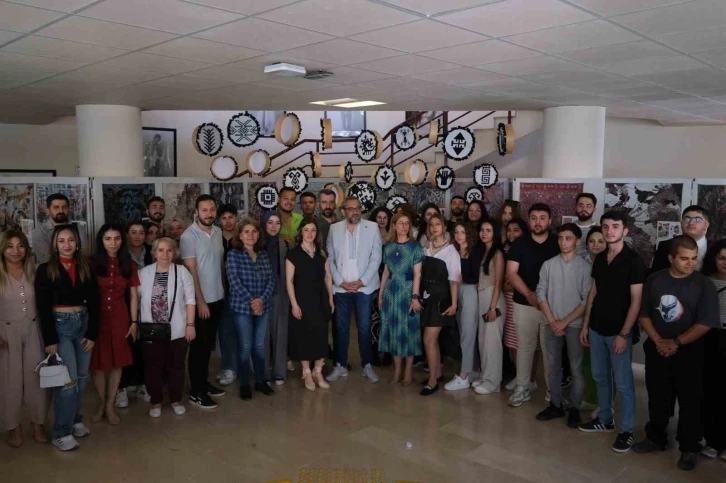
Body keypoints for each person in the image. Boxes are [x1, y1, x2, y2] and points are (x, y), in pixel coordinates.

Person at [633, 235, 720, 471]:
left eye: (694, 258)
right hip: (657, 349)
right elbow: (644, 314)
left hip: (691, 352)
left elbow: (706, 322)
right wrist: (659, 341)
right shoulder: (655, 279)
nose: (691, 263)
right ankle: (656, 437)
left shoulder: (703, 284)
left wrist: (676, 343)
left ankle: (689, 447)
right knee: (658, 396)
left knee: (691, 401)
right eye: (684, 259)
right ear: (671, 258)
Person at [579, 211, 646, 454]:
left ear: (625, 230)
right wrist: (586, 325)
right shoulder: (599, 259)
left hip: (619, 332)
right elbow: (593, 293)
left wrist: (624, 333)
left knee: (624, 383)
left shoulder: (633, 261)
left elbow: (636, 301)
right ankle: (605, 419)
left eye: (615, 226)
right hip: (597, 328)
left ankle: (626, 430)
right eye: (606, 226)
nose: (609, 231)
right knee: (600, 377)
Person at [35, 224, 98, 451]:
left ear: (77, 243)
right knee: (67, 382)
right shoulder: (46, 269)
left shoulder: (85, 267)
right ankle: (61, 432)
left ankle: (74, 419)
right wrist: (50, 339)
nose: (67, 245)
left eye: (71, 240)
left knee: (81, 378)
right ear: (54, 244)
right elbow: (43, 306)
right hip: (60, 327)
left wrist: (92, 333)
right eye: (61, 241)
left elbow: (95, 301)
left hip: (83, 324)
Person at [535, 223, 591, 428]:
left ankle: (574, 407)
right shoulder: (548, 265)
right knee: (552, 366)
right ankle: (555, 404)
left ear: (577, 240)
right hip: (551, 323)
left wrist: (563, 322)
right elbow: (540, 292)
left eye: (568, 238)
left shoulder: (585, 267)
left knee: (575, 367)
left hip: (574, 324)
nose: (563, 242)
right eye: (560, 238)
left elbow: (586, 300)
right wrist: (553, 321)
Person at [505, 203, 559, 407]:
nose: (538, 222)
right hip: (523, 303)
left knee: (549, 350)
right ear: (529, 220)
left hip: (551, 306)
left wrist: (543, 299)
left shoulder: (557, 243)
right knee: (525, 348)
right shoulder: (520, 244)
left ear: (550, 220)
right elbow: (512, 273)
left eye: (542, 218)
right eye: (534, 218)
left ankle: (552, 394)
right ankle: (522, 387)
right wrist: (529, 294)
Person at [137, 237, 196, 418]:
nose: (165, 254)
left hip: (177, 328)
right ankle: (155, 402)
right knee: (152, 367)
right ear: (154, 253)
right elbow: (135, 299)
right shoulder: (143, 273)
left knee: (176, 366)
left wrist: (190, 324)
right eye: (160, 250)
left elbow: (190, 300)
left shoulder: (182, 272)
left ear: (174, 253)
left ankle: (175, 400)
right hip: (151, 330)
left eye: (169, 250)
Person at [326, 196, 382, 384]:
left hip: (364, 289)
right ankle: (340, 365)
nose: (355, 212)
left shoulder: (372, 227)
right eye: (351, 209)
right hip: (341, 289)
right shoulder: (334, 229)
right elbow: (330, 259)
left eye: (358, 208)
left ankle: (367, 365)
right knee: (341, 329)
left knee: (364, 328)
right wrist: (340, 282)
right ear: (343, 211)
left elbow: (376, 258)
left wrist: (361, 281)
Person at [0, 230, 48, 447]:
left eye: (20, 246)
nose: (15, 251)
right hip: (6, 333)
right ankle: (13, 426)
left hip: (33, 330)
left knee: (36, 379)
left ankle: (38, 423)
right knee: (10, 382)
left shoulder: (34, 271)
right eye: (10, 246)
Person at [89, 224, 139, 426]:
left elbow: (133, 295)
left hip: (120, 317)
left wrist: (134, 322)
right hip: (97, 318)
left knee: (118, 362)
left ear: (122, 240)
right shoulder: (92, 263)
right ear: (101, 241)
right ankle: (102, 403)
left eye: (117, 238)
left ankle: (110, 404)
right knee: (97, 365)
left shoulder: (128, 264)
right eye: (108, 239)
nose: (113, 243)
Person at [180, 195, 225, 409]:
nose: (209, 213)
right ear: (197, 212)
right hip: (201, 302)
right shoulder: (188, 236)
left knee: (207, 346)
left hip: (218, 298)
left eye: (212, 209)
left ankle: (204, 383)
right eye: (204, 210)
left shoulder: (217, 232)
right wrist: (200, 301)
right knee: (198, 347)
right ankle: (196, 391)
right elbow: (191, 272)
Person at [226, 218, 275, 400]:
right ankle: (245, 383)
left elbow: (271, 280)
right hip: (242, 308)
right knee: (245, 346)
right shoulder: (234, 255)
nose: (250, 235)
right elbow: (234, 281)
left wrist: (261, 300)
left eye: (254, 231)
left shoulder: (262, 254)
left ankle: (260, 381)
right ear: (240, 235)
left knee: (259, 346)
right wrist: (253, 301)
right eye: (246, 231)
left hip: (263, 307)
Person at [287, 217, 334, 391]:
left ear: (317, 233)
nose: (309, 233)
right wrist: (294, 304)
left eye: (313, 230)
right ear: (301, 232)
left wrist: (330, 298)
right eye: (306, 230)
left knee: (321, 335)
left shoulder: (322, 253)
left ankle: (318, 371)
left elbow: (327, 276)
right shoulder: (293, 254)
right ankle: (306, 372)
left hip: (320, 299)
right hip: (302, 299)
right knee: (304, 336)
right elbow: (289, 281)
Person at [378, 212, 424, 386]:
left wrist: (415, 297)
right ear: (394, 226)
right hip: (391, 293)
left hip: (408, 291)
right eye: (401, 223)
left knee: (410, 331)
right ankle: (397, 370)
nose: (404, 226)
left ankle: (408, 371)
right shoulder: (388, 246)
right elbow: (386, 272)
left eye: (407, 223)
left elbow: (418, 274)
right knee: (394, 330)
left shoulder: (415, 246)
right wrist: (381, 294)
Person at [420, 213, 461, 396]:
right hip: (427, 297)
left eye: (438, 224)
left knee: (428, 340)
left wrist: (454, 304)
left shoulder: (451, 251)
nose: (434, 227)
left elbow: (454, 280)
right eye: (431, 224)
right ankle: (436, 373)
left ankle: (432, 381)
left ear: (444, 227)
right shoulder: (426, 247)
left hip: (441, 298)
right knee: (432, 340)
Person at [116, 221, 152, 409]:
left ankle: (141, 384)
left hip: (147, 306)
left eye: (141, 232)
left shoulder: (152, 253)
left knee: (144, 347)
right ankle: (121, 387)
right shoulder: (120, 255)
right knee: (126, 345)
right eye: (133, 232)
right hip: (125, 305)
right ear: (127, 234)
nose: (138, 236)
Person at [444, 221, 483, 391]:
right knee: (463, 332)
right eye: (457, 232)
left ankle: (464, 376)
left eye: (463, 232)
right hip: (455, 290)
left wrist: (458, 275)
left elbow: (475, 276)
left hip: (469, 291)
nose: (459, 235)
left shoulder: (475, 251)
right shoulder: (453, 250)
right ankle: (473, 370)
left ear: (469, 234)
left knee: (468, 332)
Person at [502, 218, 539, 392]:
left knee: (527, 343)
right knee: (512, 342)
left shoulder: (528, 248)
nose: (511, 234)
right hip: (508, 300)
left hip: (524, 300)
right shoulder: (504, 249)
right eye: (509, 230)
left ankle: (530, 379)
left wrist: (516, 286)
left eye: (516, 230)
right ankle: (519, 377)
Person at [473, 220, 507, 395]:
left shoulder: (498, 253)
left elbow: (499, 281)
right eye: (482, 230)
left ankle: (493, 382)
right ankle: (484, 376)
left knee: (492, 343)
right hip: (482, 296)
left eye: (488, 230)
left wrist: (493, 307)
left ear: (495, 233)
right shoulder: (483, 251)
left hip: (493, 298)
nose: (484, 233)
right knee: (483, 341)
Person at [700, 240, 726, 462]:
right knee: (710, 391)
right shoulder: (705, 281)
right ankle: (712, 441)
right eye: (721, 258)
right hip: (708, 338)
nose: (725, 263)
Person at [261, 211, 290, 386]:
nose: (273, 226)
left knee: (280, 333)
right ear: (264, 224)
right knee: (262, 335)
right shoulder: (257, 244)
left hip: (280, 293)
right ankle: (263, 371)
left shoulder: (285, 245)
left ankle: (279, 371)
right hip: (260, 295)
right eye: (270, 222)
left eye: (277, 223)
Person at [216, 204, 239, 387]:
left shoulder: (242, 237)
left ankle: (234, 366)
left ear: (236, 218)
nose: (228, 221)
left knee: (239, 330)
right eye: (224, 218)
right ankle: (228, 365)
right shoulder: (215, 238)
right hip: (219, 289)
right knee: (225, 330)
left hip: (239, 290)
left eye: (231, 217)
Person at [32, 193, 89, 264]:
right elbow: (46, 260)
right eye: (56, 207)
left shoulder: (78, 228)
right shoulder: (39, 232)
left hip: (79, 269)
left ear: (68, 209)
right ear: (48, 210)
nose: (61, 211)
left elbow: (86, 255)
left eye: (64, 207)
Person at [652, 205, 710, 272]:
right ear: (681, 223)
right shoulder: (665, 245)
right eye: (687, 219)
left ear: (706, 225)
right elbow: (656, 274)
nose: (691, 223)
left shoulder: (715, 247)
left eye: (697, 219)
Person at [574, 193, 598, 259]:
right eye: (580, 205)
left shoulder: (600, 230)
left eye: (588, 206)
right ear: (575, 208)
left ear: (594, 209)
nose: (584, 209)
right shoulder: (568, 230)